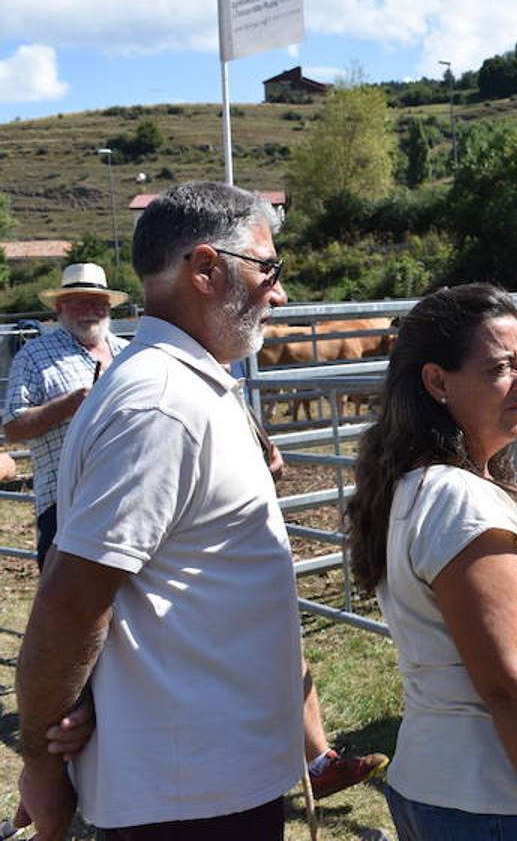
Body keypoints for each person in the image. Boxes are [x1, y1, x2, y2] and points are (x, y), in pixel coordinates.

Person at [13, 181, 304, 840]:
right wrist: (41, 766)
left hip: (207, 775)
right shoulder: (162, 404)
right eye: (268, 267)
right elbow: (71, 600)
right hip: (190, 795)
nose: (279, 292)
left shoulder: (180, 386)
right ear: (205, 268)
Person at [346, 284, 517, 841]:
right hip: (500, 801)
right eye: (499, 369)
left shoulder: (421, 485)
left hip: (474, 794)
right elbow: (503, 685)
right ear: (438, 382)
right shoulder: (457, 500)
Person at [3, 262, 129, 571]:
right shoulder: (34, 356)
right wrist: (69, 405)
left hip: (126, 496)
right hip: (66, 501)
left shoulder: (128, 353)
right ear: (60, 308)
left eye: (98, 302)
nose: (91, 310)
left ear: (109, 308)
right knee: (64, 605)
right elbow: (13, 428)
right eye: (80, 302)